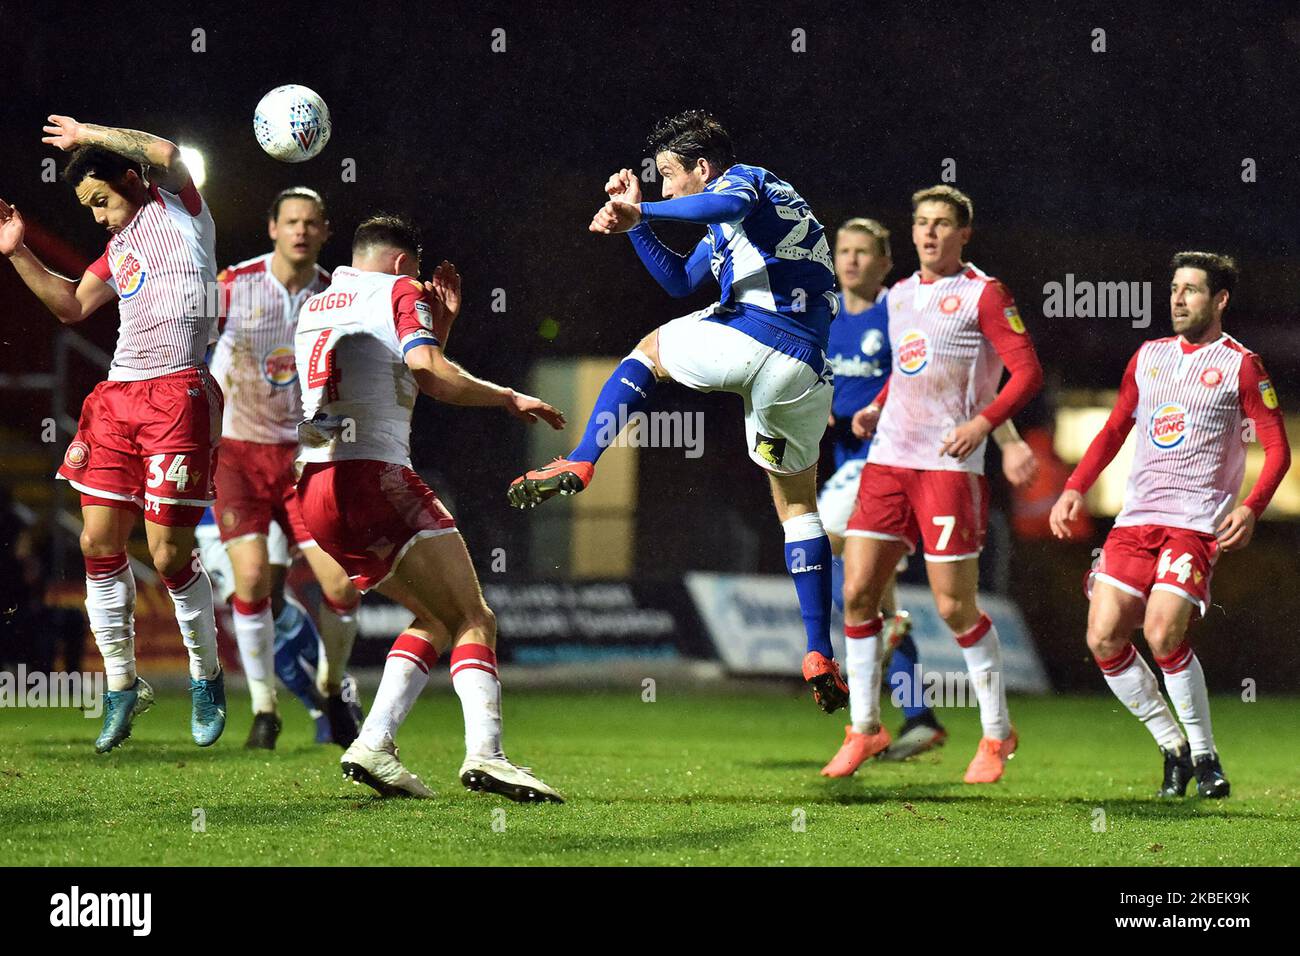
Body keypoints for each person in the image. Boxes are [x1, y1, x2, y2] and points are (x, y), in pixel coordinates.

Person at [509, 110, 849, 713]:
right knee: (797, 504)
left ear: (702, 166)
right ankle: (819, 649)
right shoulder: (733, 224)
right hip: (802, 368)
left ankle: (584, 460)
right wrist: (632, 224)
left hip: (757, 333)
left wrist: (643, 212)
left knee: (647, 354)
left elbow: (715, 208)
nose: (665, 188)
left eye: (669, 175)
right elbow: (677, 281)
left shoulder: (745, 181)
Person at [295, 215, 567, 801]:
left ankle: (373, 743)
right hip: (375, 476)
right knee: (476, 616)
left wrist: (436, 327)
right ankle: (487, 755)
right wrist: (507, 397)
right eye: (416, 279)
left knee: (437, 618)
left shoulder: (317, 303)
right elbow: (429, 373)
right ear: (400, 265)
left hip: (316, 486)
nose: (419, 290)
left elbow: (390, 375)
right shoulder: (394, 289)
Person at [0, 115, 226, 752]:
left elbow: (167, 151)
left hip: (178, 393)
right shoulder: (118, 248)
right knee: (99, 544)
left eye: (101, 199)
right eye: (88, 208)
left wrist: (85, 136)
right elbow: (71, 305)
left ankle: (206, 676)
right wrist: (17, 249)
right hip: (117, 399)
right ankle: (122, 686)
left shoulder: (183, 212)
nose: (97, 216)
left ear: (129, 179)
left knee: (168, 556)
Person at [1050, 252, 1290, 798]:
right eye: (1175, 288)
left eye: (1192, 290)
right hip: (1135, 521)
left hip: (1193, 524)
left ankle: (1206, 759)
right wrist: (1073, 488)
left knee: (1161, 632)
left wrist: (1250, 505)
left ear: (1220, 300)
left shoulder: (1241, 365)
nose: (1178, 299)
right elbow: (1113, 430)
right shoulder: (1149, 356)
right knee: (1104, 637)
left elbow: (1277, 451)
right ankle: (1172, 747)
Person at [817, 217, 1039, 775]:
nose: (850, 261)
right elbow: (907, 375)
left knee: (951, 606)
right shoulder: (847, 315)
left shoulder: (964, 297)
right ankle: (870, 724)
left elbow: (998, 376)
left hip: (942, 465)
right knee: (857, 592)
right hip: (880, 462)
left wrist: (1000, 435)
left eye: (862, 251)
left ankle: (993, 731)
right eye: (843, 251)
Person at [208, 187, 361, 748]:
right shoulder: (231, 286)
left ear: (324, 231)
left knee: (342, 586)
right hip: (239, 454)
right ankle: (264, 711)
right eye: (291, 221)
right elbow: (187, 347)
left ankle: (332, 688)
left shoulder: (335, 297)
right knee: (250, 581)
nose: (300, 230)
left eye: (311, 222)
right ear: (272, 227)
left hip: (308, 457)